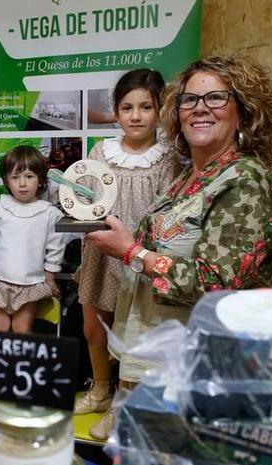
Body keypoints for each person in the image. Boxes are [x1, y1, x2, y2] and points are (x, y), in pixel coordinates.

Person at [86, 55, 272, 437]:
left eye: (216, 98)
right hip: (165, 367)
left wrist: (131, 252)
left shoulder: (243, 181)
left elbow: (215, 282)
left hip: (207, 374)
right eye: (189, 100)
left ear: (244, 111)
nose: (200, 108)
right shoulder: (192, 177)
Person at [71, 69, 179, 439]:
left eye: (145, 107)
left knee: (134, 336)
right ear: (115, 112)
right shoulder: (101, 151)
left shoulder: (168, 158)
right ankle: (100, 389)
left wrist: (140, 247)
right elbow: (83, 195)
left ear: (159, 111)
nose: (136, 115)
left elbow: (169, 211)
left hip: (139, 256)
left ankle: (122, 404)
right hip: (101, 253)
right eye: (127, 107)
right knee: (93, 327)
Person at [0, 146, 65, 333]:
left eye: (29, 177)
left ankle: (19, 363)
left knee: (22, 330)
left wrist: (50, 278)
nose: (22, 184)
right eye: (15, 177)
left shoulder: (49, 213)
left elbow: (55, 249)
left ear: (41, 180)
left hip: (30, 284)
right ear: (6, 181)